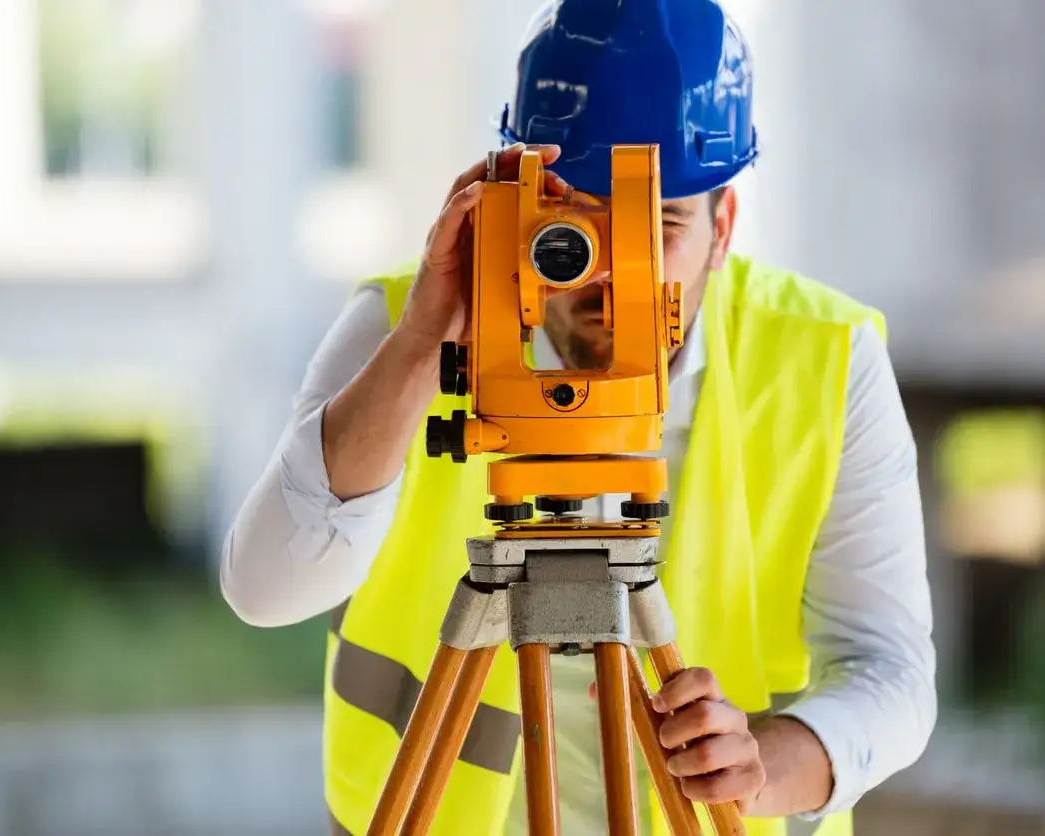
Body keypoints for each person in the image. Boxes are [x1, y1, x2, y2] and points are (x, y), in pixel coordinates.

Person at [220, 1, 936, 833]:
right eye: (575, 224)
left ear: (723, 226)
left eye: (656, 224)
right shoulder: (408, 324)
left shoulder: (827, 359)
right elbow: (265, 589)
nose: (610, 273)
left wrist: (765, 764)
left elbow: (891, 671)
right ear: (513, 198)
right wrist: (424, 341)